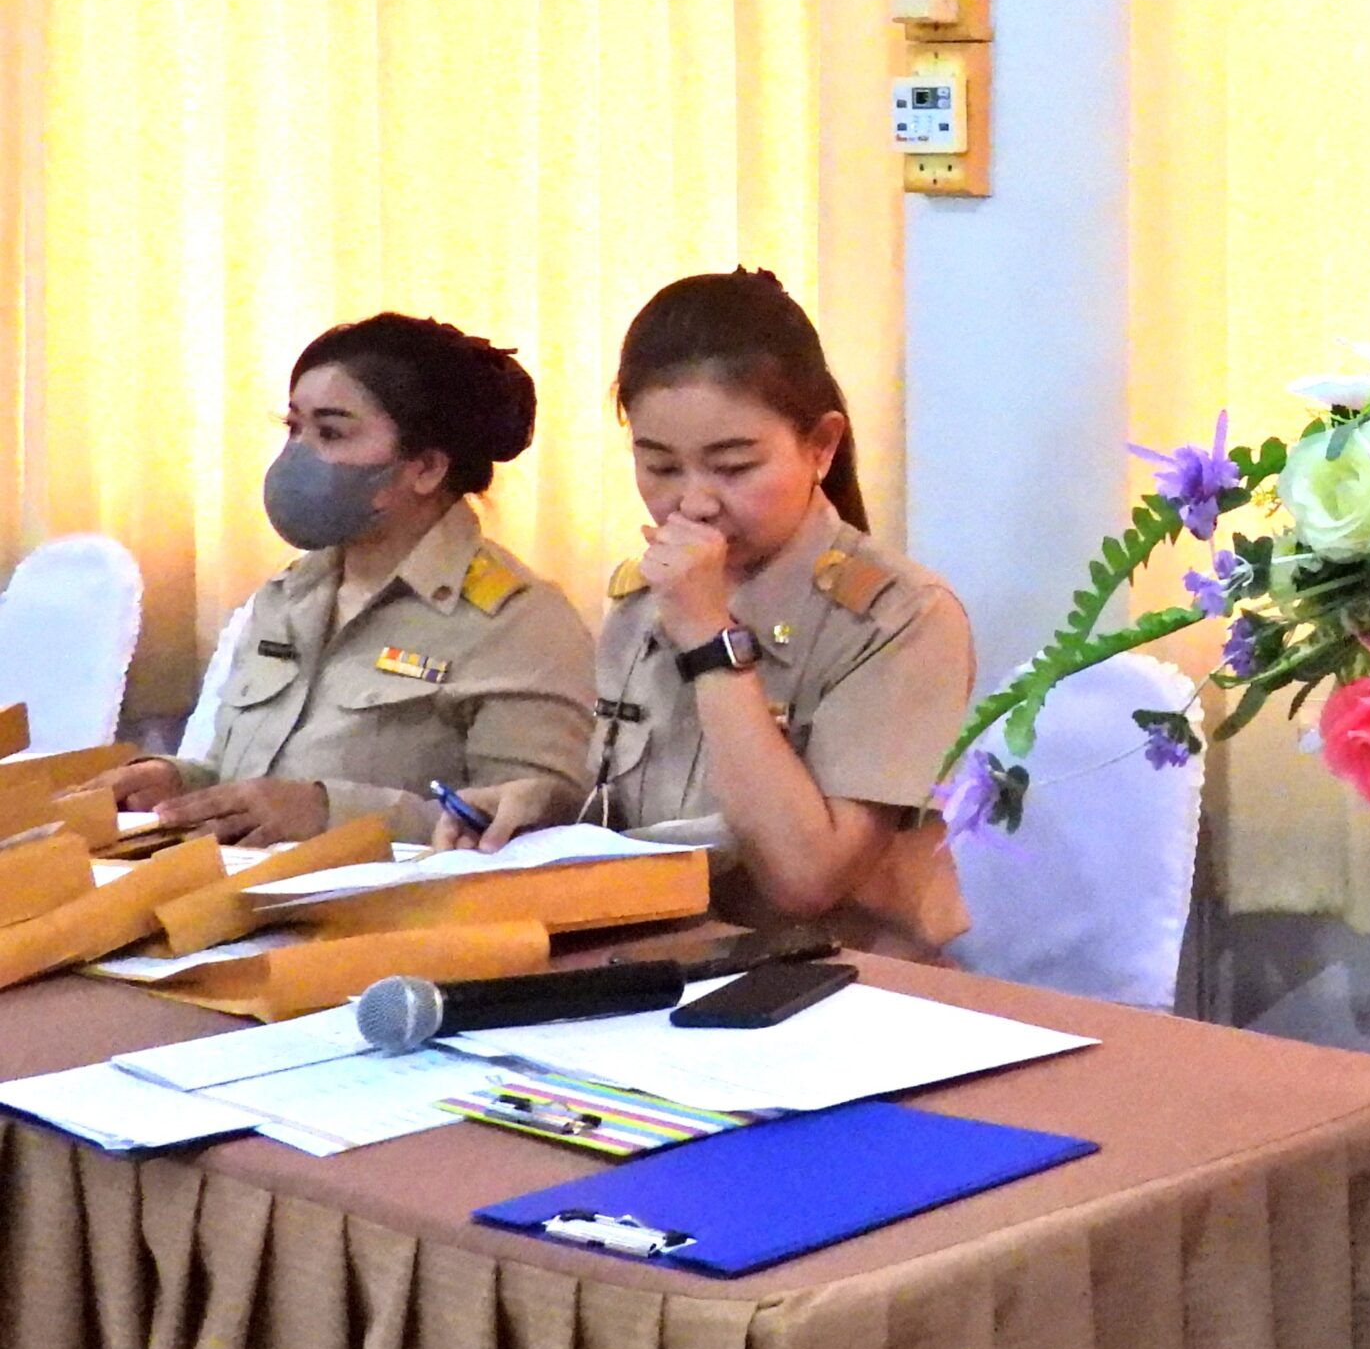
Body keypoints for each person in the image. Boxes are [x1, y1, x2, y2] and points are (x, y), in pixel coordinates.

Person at [449, 269, 973, 959]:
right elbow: (643, 820)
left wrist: (710, 640)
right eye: (661, 468)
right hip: (657, 961)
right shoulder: (643, 597)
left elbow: (805, 880)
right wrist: (541, 810)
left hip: (836, 981)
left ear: (821, 446)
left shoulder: (899, 617)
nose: (693, 503)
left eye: (733, 467)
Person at [101, 315, 593, 846]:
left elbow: (530, 831)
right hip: (240, 886)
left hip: (400, 897)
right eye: (294, 428)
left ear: (425, 468)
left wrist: (330, 813)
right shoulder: (289, 594)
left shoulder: (519, 622)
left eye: (331, 432)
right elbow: (247, 778)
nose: (298, 456)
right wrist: (177, 784)